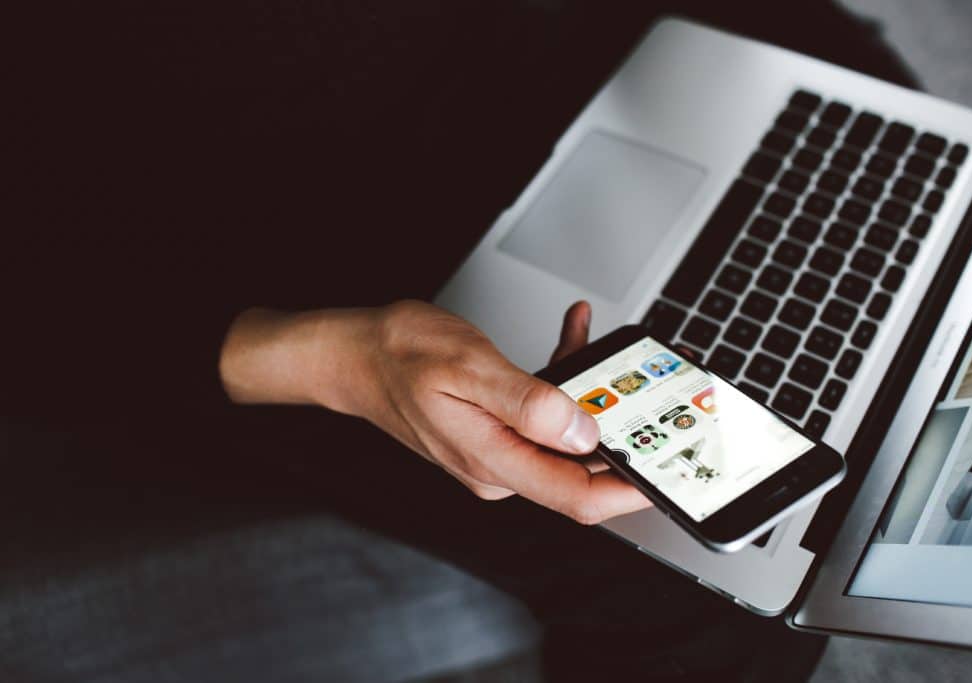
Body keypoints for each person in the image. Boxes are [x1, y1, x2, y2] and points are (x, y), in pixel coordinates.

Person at [5, 1, 918, 679]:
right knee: (715, 600)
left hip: (575, 53)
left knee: (912, 197)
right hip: (285, 277)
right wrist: (335, 357)